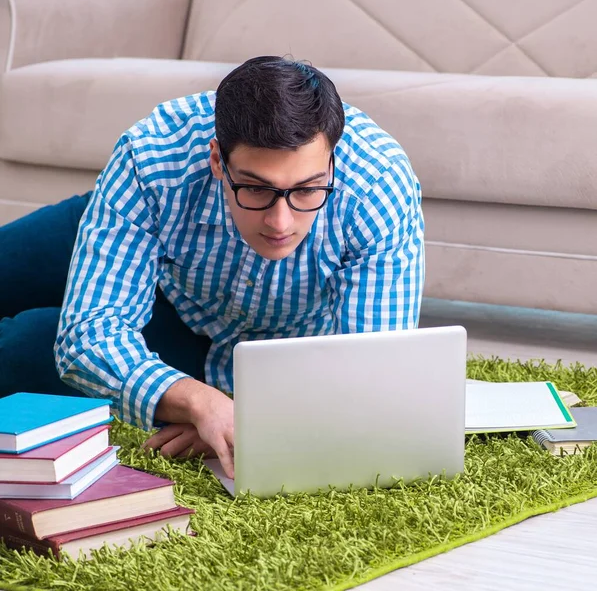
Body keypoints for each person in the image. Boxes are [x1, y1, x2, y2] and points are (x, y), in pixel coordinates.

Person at [0, 56, 424, 479]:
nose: (281, 222)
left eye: (308, 189)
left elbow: (371, 375)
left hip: (218, 342)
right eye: (256, 188)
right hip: (150, 245)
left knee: (19, 348)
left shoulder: (378, 186)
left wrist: (245, 416)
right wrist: (201, 404)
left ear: (331, 163)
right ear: (218, 160)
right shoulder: (153, 155)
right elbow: (90, 331)